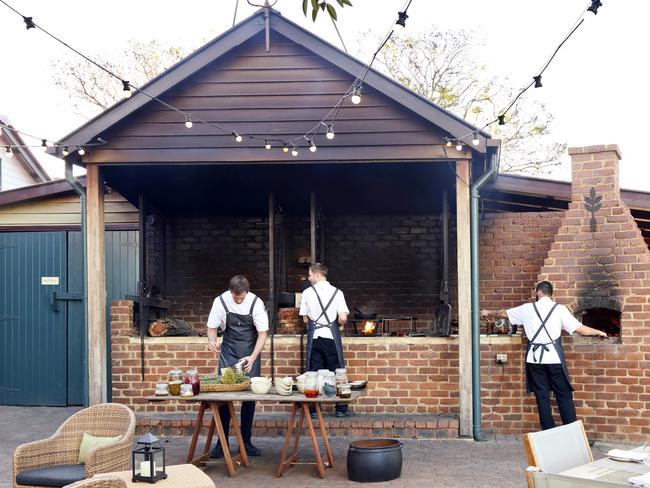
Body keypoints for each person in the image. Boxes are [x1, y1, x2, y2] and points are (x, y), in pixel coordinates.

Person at [481, 281, 607, 430]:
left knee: (542, 397)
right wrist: (599, 332)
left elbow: (503, 314)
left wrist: (487, 312)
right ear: (550, 294)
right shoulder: (559, 310)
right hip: (553, 358)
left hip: (534, 360)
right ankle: (573, 434)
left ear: (538, 293)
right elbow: (580, 329)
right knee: (564, 395)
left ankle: (548, 433)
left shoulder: (527, 309)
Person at [207, 275, 268, 458]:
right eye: (236, 297)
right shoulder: (221, 301)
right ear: (230, 292)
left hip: (250, 353)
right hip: (229, 353)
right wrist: (212, 341)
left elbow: (263, 334)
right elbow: (211, 328)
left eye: (241, 297)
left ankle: (246, 441)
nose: (239, 300)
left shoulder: (256, 303)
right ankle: (222, 442)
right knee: (224, 398)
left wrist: (253, 357)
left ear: (247, 292)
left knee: (249, 398)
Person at [299, 262, 352, 418]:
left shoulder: (307, 293)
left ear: (316, 274)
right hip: (331, 338)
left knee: (313, 372)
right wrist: (337, 323)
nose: (308, 278)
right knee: (338, 371)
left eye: (309, 275)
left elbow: (305, 319)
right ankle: (341, 408)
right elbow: (342, 318)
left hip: (315, 337)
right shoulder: (337, 292)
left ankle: (314, 409)